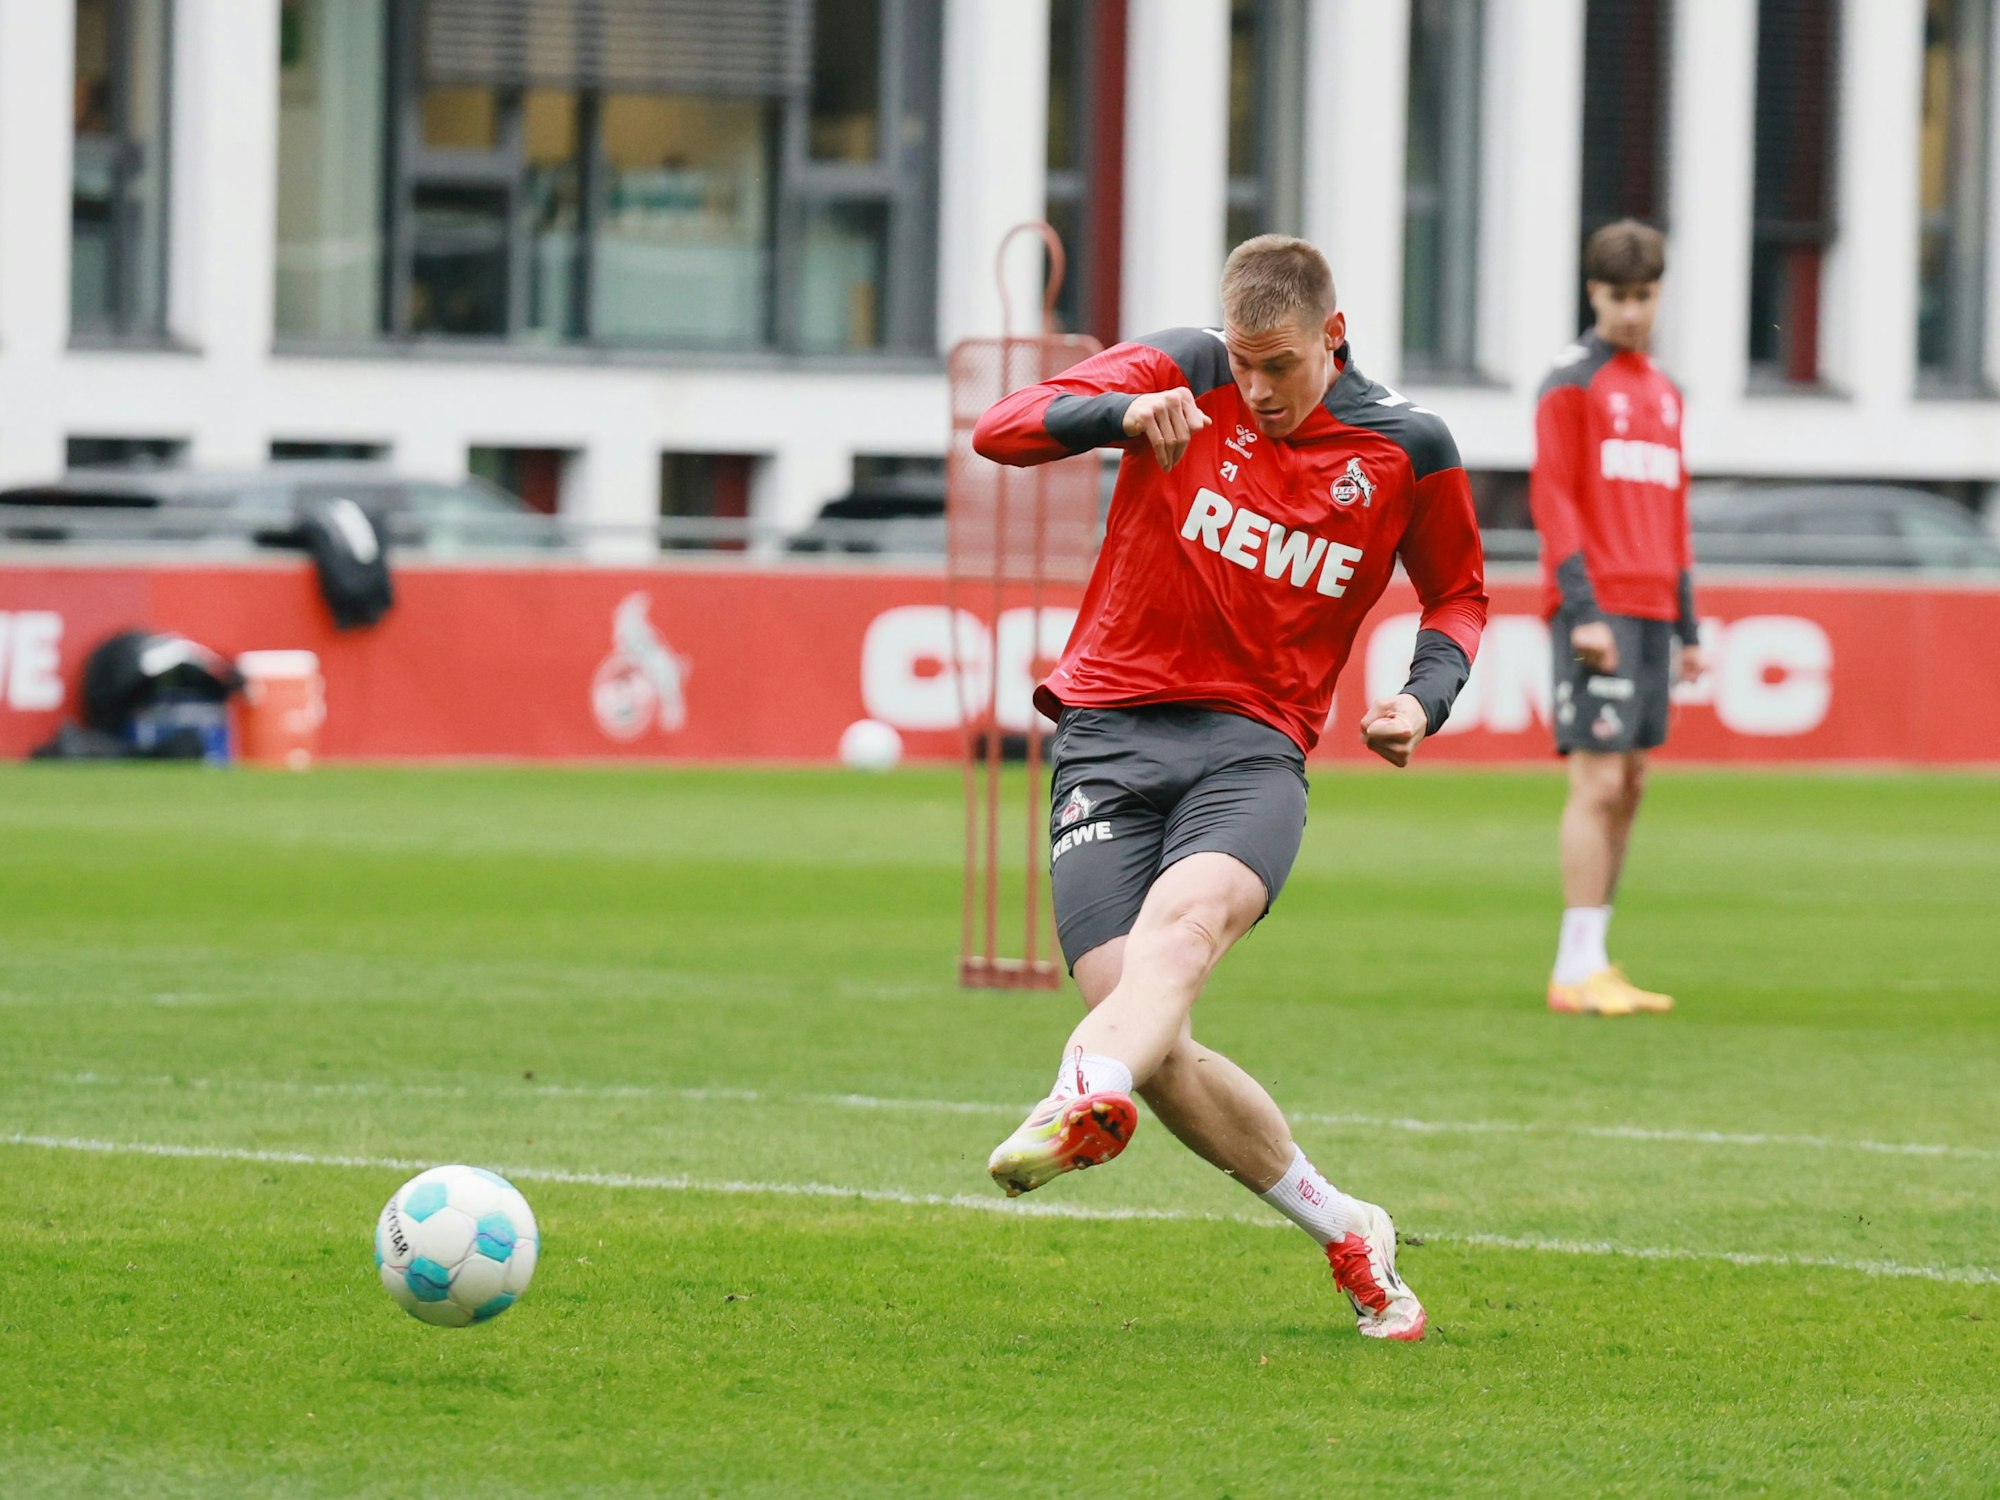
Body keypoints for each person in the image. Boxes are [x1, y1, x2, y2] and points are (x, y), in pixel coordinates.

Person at [970, 236, 1487, 1342]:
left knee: (1181, 937)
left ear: (1331, 337)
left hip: (1248, 751)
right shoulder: (1180, 371)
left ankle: (1073, 1097)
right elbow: (1000, 428)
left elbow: (1457, 598)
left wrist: (1420, 698)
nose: (1256, 390)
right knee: (1149, 1044)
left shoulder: (1406, 446)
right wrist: (1113, 417)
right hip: (1106, 739)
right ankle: (1345, 1223)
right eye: (1243, 364)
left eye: (1281, 365)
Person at [1529, 220, 1705, 1018]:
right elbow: (1555, 497)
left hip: (1652, 611)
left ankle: (1595, 956)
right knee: (1596, 779)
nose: (1632, 311)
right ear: (1593, 292)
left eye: (1644, 296)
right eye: (1618, 296)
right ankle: (1572, 968)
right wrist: (1581, 608)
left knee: (1631, 781)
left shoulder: (1664, 391)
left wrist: (1690, 626)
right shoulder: (1571, 382)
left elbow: (1674, 513)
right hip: (1596, 609)